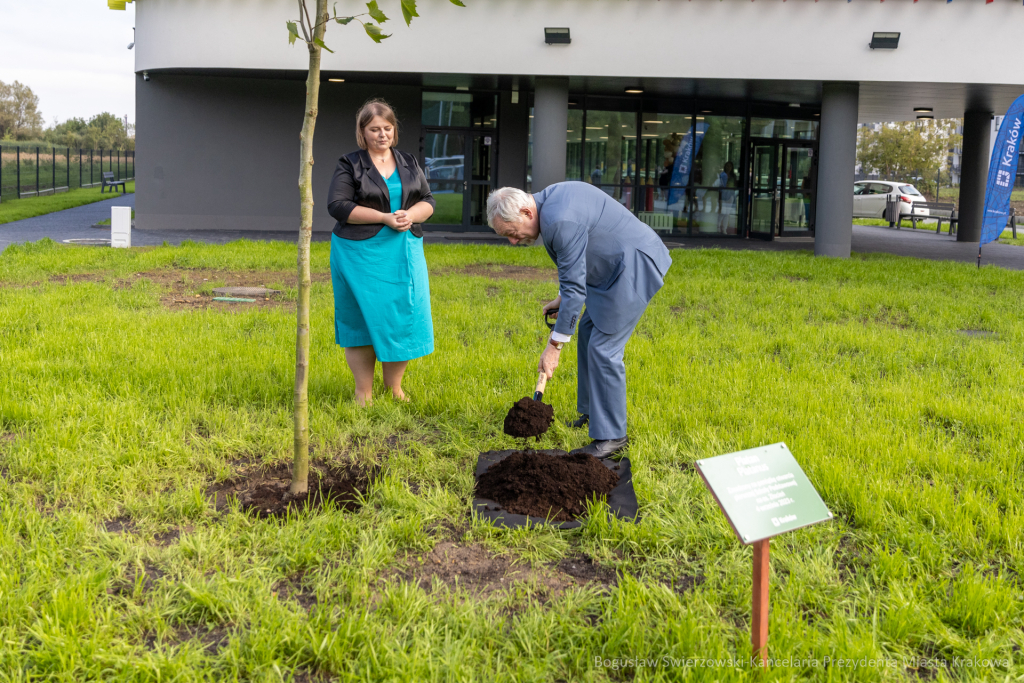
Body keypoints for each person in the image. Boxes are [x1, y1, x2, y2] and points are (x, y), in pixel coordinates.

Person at [486, 182, 672, 459]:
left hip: (633, 266)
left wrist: (554, 347)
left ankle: (612, 436)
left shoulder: (559, 220)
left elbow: (576, 288)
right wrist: (562, 299)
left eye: (512, 233)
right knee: (587, 332)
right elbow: (573, 264)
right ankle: (592, 412)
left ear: (526, 212)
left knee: (603, 348)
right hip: (610, 266)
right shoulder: (549, 204)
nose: (513, 241)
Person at [326, 99, 436, 406]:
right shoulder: (349, 163)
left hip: (403, 251)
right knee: (360, 318)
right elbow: (338, 207)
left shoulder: (409, 161)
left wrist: (411, 214)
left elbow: (428, 199)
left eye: (387, 128)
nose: (382, 134)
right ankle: (364, 392)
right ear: (363, 132)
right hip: (360, 254)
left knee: (401, 316)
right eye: (374, 129)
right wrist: (385, 217)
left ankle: (395, 388)